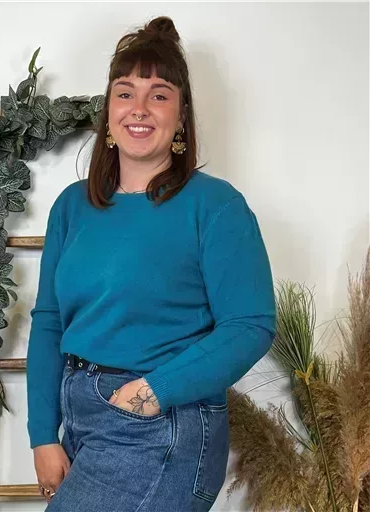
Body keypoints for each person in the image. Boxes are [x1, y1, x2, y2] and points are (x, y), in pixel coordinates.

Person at [26, 15, 276, 512]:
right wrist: (42, 434)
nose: (138, 108)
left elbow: (250, 324)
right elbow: (50, 321)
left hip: (160, 425)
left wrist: (151, 392)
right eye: (125, 93)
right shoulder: (72, 206)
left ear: (181, 116)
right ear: (109, 111)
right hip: (81, 419)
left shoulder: (215, 206)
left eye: (159, 95)